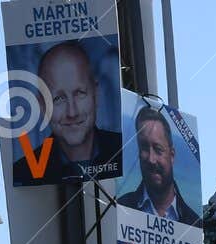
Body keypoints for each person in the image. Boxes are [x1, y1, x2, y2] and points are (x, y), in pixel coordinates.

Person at [11, 42, 123, 185]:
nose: (72, 112)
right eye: (58, 99)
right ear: (42, 105)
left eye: (80, 93)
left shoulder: (126, 153)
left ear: (97, 94)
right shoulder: (24, 175)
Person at [118, 105, 201, 224]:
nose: (151, 159)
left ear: (171, 155)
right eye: (144, 148)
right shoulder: (121, 207)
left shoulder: (194, 223)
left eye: (158, 149)